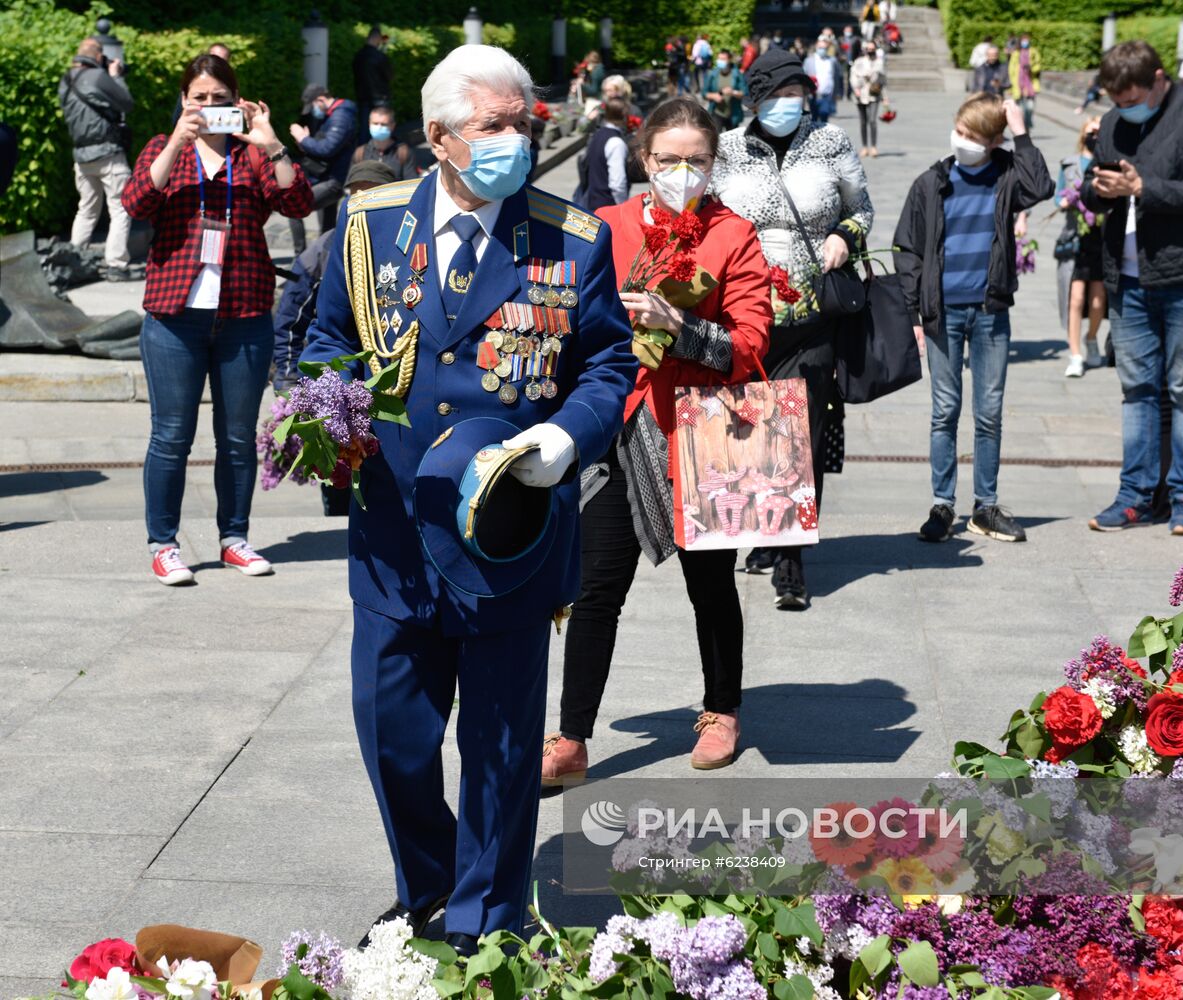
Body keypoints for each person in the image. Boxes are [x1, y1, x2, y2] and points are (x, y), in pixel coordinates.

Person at [300, 43, 636, 954]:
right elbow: (325, 337)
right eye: (494, 126)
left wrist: (567, 437)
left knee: (497, 754)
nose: (515, 140)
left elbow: (607, 360)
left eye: (522, 123)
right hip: (395, 536)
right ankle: (432, 887)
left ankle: (485, 925)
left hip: (509, 536)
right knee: (395, 741)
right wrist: (320, 408)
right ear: (441, 137)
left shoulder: (572, 236)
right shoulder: (367, 228)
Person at [540, 98, 773, 786]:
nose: (680, 171)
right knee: (595, 589)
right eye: (667, 159)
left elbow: (752, 344)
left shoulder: (733, 235)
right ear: (644, 160)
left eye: (695, 160)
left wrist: (681, 325)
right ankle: (572, 735)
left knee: (711, 584)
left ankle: (721, 709)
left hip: (702, 432)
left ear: (713, 163)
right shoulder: (604, 227)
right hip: (617, 429)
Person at [120, 53, 314, 585]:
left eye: (219, 99)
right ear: (184, 100)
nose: (208, 107)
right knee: (171, 436)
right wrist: (178, 142)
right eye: (198, 98)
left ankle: (235, 538)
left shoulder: (251, 156)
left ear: (236, 101)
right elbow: (136, 203)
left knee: (235, 438)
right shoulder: (164, 149)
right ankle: (164, 544)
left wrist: (271, 142)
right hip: (174, 315)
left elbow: (297, 202)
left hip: (244, 314)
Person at [711, 47, 873, 609]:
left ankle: (791, 564)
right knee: (751, 433)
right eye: (774, 95)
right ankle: (764, 532)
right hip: (743, 316)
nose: (786, 104)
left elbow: (862, 207)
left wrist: (844, 237)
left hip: (810, 318)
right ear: (752, 100)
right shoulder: (727, 149)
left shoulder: (828, 141)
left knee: (796, 436)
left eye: (794, 93)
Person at [1082, 40, 1183, 537]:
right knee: (1137, 391)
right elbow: (1094, 183)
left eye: (1132, 100)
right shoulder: (1112, 122)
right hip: (1128, 278)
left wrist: (1142, 187)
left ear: (1159, 79)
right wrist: (1096, 189)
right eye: (1117, 102)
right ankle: (1134, 497)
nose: (1123, 110)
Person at [894, 94, 1054, 544]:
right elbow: (907, 248)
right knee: (944, 411)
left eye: (972, 136)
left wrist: (1022, 131)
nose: (961, 141)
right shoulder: (932, 181)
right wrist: (913, 312)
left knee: (989, 413)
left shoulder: (1006, 175)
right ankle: (942, 505)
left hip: (990, 310)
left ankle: (985, 507)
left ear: (993, 141)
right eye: (959, 131)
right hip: (942, 313)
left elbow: (1041, 186)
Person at [272, 158, 395, 518]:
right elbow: (291, 325)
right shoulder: (321, 254)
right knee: (341, 478)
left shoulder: (405, 247)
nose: (364, 206)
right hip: (335, 383)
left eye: (374, 197)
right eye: (356, 197)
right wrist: (290, 383)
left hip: (387, 388)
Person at [59, 38, 135, 282]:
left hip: (81, 157)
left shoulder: (66, 80)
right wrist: (115, 76)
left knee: (87, 209)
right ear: (98, 56)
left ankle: (72, 261)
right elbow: (126, 103)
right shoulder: (99, 76)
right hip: (108, 154)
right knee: (120, 208)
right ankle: (115, 264)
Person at [1056, 118, 1106, 378]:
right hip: (1076, 238)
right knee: (1075, 299)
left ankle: (1091, 337)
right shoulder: (1069, 164)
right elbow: (1058, 196)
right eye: (1091, 131)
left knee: (1098, 300)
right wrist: (1068, 199)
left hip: (1101, 238)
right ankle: (1075, 354)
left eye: (1099, 132)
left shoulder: (1108, 163)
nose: (1094, 136)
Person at [288, 84, 357, 253]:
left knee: (293, 208)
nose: (312, 111)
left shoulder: (341, 116)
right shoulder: (331, 114)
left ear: (320, 99)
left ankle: (301, 256)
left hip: (333, 180)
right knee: (327, 227)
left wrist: (303, 138)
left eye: (312, 106)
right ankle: (324, 261)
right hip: (326, 176)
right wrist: (305, 144)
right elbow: (322, 146)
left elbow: (327, 148)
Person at [575, 98, 630, 210]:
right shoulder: (616, 143)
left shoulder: (597, 135)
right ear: (624, 115)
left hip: (592, 202)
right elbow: (617, 184)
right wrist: (623, 208)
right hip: (608, 205)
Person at [170, 43, 230, 126]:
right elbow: (176, 120)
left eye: (219, 97)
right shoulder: (194, 80)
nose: (209, 104)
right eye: (200, 97)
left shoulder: (230, 82)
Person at [351, 105, 417, 181]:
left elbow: (412, 184)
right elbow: (351, 184)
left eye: (383, 124)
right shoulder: (360, 153)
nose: (379, 127)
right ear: (369, 124)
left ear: (392, 126)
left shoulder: (404, 153)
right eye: (375, 123)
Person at [352, 25, 393, 142]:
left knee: (364, 129)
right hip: (380, 99)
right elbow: (389, 76)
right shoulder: (380, 56)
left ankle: (363, 154)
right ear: (378, 38)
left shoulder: (358, 56)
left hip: (363, 97)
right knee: (382, 129)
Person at [850, 41, 884, 157]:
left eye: (872, 48)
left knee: (873, 120)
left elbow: (883, 79)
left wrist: (885, 97)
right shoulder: (859, 61)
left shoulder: (879, 62)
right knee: (863, 121)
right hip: (860, 93)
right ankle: (865, 147)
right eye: (868, 48)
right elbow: (853, 75)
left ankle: (874, 147)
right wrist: (856, 88)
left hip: (873, 93)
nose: (870, 51)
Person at [702, 50, 748, 132]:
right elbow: (704, 93)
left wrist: (733, 92)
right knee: (717, 140)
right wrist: (714, 96)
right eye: (719, 59)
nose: (720, 61)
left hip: (733, 113)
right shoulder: (713, 74)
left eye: (723, 59)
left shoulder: (737, 74)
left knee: (732, 141)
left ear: (729, 60)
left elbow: (745, 92)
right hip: (716, 112)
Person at [1008, 33, 1041, 131]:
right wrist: (1011, 86)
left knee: (1030, 107)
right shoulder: (1016, 53)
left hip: (1030, 83)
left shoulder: (1034, 52)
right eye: (1023, 40)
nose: (1025, 42)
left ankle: (1028, 122)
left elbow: (1038, 66)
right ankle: (1021, 127)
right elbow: (1011, 70)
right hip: (1018, 84)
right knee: (1020, 109)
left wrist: (1032, 68)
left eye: (1027, 40)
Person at [803, 36, 839, 124]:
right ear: (816, 47)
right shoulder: (809, 61)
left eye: (824, 48)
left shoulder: (832, 61)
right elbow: (804, 76)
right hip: (813, 95)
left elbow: (836, 77)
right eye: (820, 48)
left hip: (826, 95)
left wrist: (836, 93)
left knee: (824, 116)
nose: (822, 50)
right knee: (814, 119)